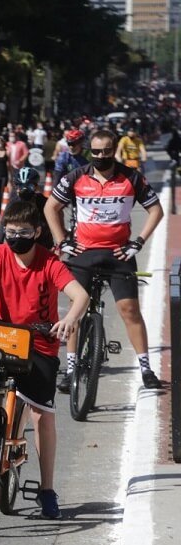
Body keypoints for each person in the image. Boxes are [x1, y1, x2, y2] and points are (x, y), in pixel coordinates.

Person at [0, 200, 89, 519]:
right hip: (6, 336)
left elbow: (80, 295)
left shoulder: (50, 263)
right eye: (10, 231)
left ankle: (47, 489)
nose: (15, 237)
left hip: (39, 342)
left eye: (23, 231)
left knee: (42, 416)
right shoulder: (0, 255)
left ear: (37, 232)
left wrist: (70, 319)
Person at [45, 129, 165, 391]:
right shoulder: (76, 176)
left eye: (106, 151)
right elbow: (50, 207)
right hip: (82, 254)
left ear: (114, 150)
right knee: (76, 311)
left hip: (119, 253)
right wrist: (62, 240)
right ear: (90, 151)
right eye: (96, 151)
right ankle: (71, 368)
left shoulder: (131, 176)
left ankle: (146, 369)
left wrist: (138, 242)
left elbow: (156, 209)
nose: (101, 156)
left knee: (130, 311)